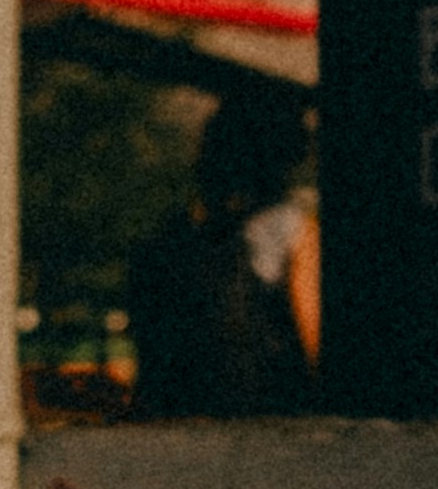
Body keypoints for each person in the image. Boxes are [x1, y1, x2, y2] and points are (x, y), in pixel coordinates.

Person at [126, 86, 320, 418]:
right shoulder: (294, 230)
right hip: (264, 426)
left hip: (175, 421)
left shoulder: (171, 239)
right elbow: (312, 343)